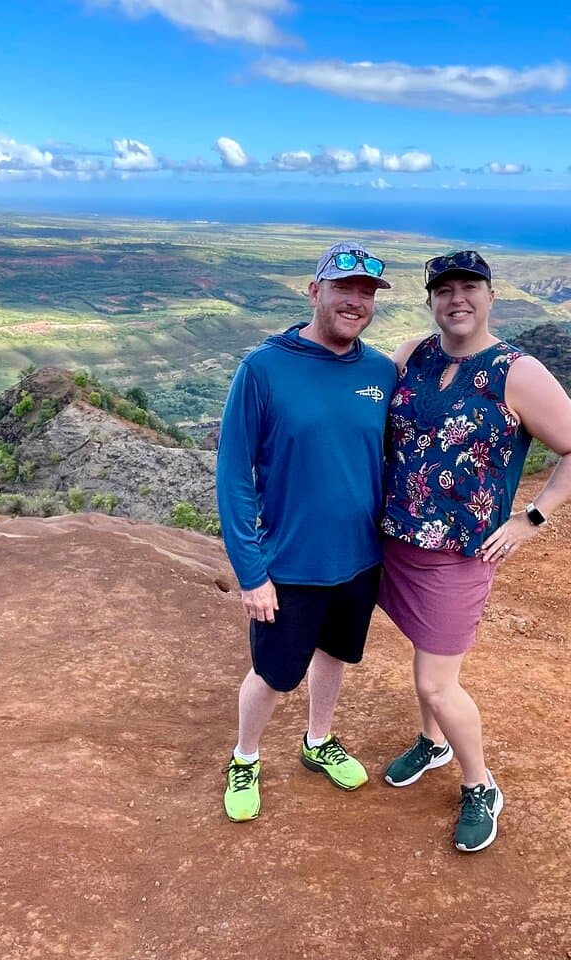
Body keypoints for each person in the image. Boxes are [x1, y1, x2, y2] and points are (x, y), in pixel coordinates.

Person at [377, 250, 571, 852]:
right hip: (397, 540)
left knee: (436, 682)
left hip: (460, 551)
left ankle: (480, 783)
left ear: (490, 296)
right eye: (444, 289)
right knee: (425, 653)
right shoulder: (412, 355)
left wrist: (532, 518)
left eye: (470, 288)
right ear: (431, 299)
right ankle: (433, 743)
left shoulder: (516, 372)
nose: (458, 299)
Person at [216, 241, 398, 823]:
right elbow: (233, 476)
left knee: (335, 655)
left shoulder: (380, 372)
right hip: (291, 562)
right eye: (344, 288)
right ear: (315, 290)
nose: (355, 302)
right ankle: (245, 756)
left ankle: (318, 741)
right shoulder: (264, 368)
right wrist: (252, 573)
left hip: (360, 560)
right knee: (273, 674)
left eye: (366, 293)